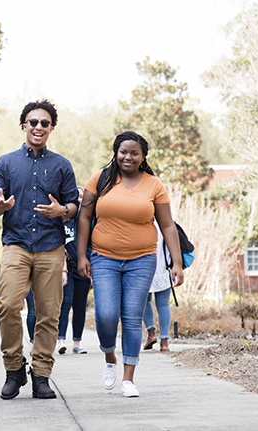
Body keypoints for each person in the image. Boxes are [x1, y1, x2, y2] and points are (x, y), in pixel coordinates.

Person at [76, 131, 184, 398]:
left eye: (135, 153)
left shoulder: (154, 185)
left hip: (142, 259)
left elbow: (168, 225)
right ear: (116, 152)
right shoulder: (100, 180)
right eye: (124, 151)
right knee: (106, 316)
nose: (128, 157)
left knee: (133, 318)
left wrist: (177, 263)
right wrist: (81, 256)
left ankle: (128, 378)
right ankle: (110, 356)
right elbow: (84, 216)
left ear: (143, 156)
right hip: (104, 257)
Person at [0, 99, 79, 400]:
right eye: (33, 122)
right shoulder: (6, 163)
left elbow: (74, 206)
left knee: (49, 313)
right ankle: (14, 369)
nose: (38, 127)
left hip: (51, 247)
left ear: (51, 128)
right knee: (9, 305)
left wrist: (61, 211)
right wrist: (0, 206)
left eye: (44, 123)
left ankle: (41, 374)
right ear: (23, 125)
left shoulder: (62, 165)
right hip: (16, 243)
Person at [57, 186, 92, 355]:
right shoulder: (63, 219)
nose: (78, 200)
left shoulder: (88, 220)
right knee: (65, 303)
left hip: (84, 268)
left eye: (81, 197)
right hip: (66, 269)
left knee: (80, 305)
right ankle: (60, 340)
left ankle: (77, 342)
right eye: (75, 197)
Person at [143, 219, 172, 353]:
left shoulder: (140, 222)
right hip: (164, 269)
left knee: (144, 301)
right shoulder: (167, 223)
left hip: (144, 267)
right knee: (163, 304)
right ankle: (164, 342)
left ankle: (151, 333)